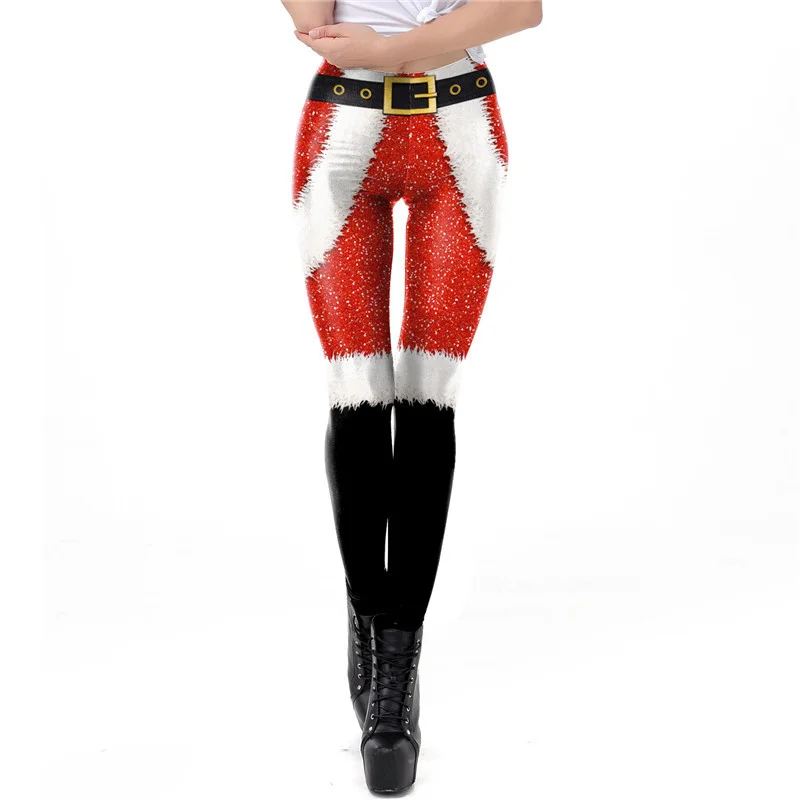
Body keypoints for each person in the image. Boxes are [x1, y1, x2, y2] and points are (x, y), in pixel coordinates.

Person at [282, 0, 543, 791]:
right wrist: (400, 47)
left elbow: (522, 8)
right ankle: (372, 622)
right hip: (343, 127)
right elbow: (311, 21)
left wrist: (396, 48)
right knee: (357, 388)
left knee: (430, 394)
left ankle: (396, 671)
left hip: (459, 129)